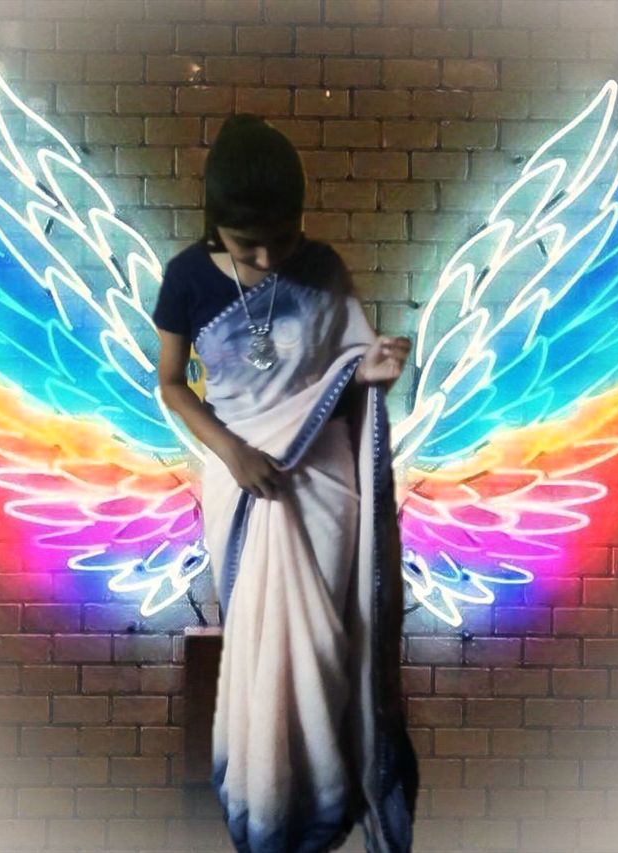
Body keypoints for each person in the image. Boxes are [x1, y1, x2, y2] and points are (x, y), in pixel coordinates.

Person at [152, 114, 419, 852]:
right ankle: (271, 805)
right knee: (262, 652)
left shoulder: (321, 267)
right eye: (248, 244)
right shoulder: (187, 278)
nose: (268, 256)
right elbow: (171, 384)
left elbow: (348, 369)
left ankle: (331, 798)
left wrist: (374, 367)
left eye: (281, 236)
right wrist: (233, 453)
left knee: (329, 643)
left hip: (322, 484)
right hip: (244, 483)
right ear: (215, 224)